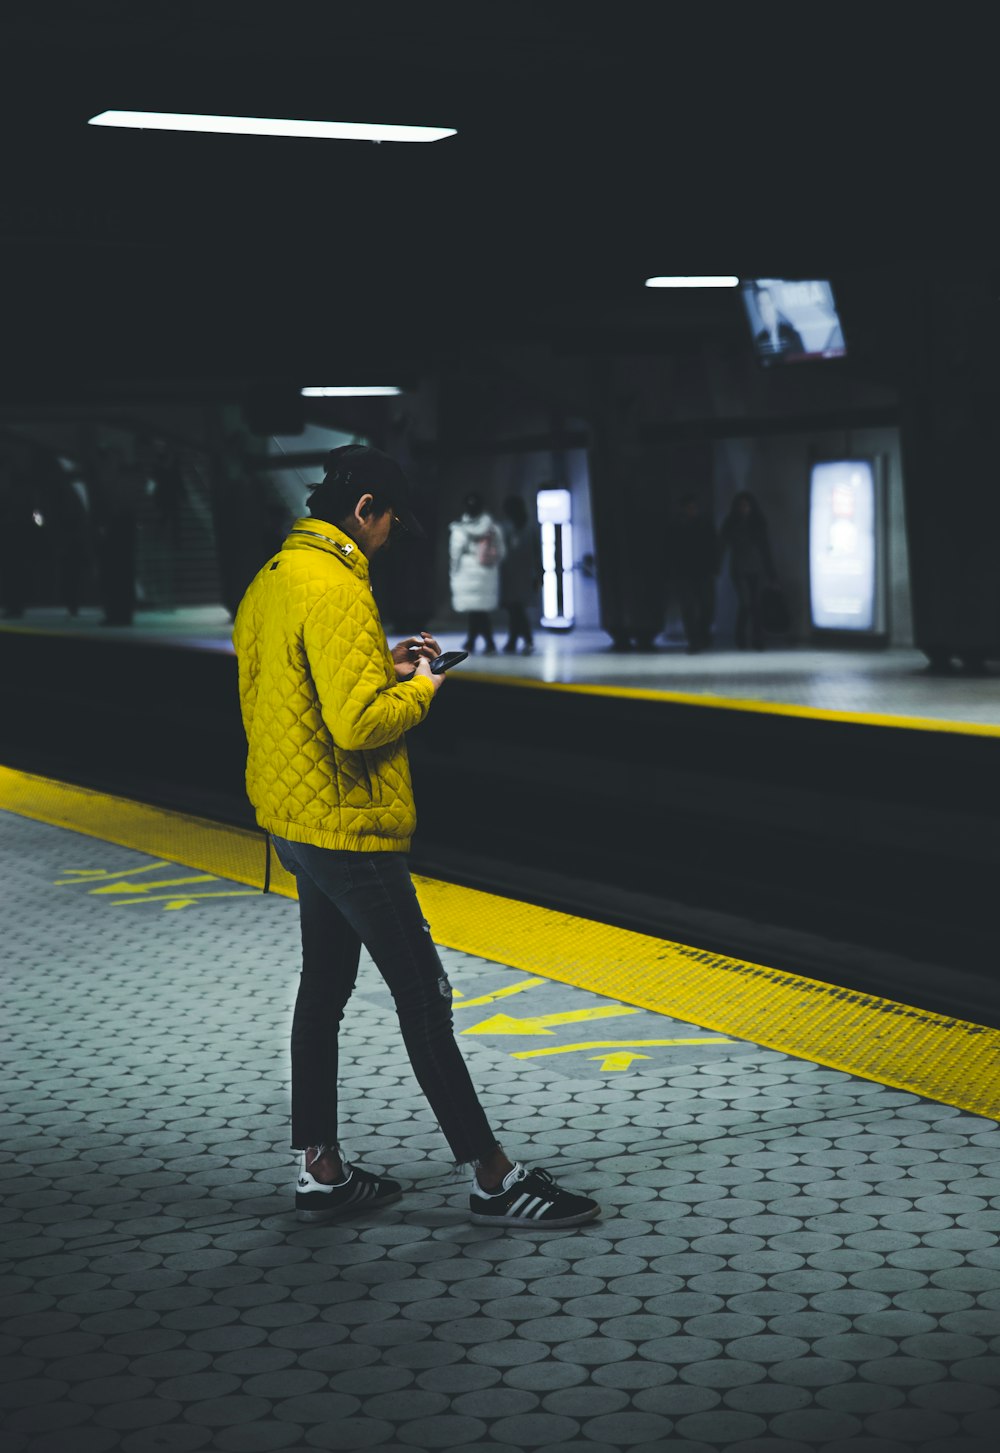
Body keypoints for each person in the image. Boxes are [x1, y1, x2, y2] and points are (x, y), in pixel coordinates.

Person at [233, 444, 599, 1229]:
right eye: (391, 517)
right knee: (426, 998)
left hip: (294, 821)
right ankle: (494, 1178)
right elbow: (357, 723)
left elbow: (288, 690)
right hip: (347, 828)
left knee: (323, 992)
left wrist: (383, 662)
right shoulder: (333, 585)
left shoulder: (273, 577)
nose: (393, 533)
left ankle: (320, 1169)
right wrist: (424, 688)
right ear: (365, 509)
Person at [719, 490, 778, 650]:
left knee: (755, 604)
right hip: (740, 569)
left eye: (746, 506)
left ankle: (755, 639)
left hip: (755, 568)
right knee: (746, 603)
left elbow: (765, 549)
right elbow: (722, 546)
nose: (744, 509)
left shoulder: (757, 523)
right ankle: (742, 638)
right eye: (741, 506)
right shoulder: (732, 523)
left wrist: (771, 572)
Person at [448, 491, 505, 653]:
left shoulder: (459, 529)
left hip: (466, 572)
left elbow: (455, 553)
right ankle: (476, 640)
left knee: (475, 611)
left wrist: (454, 571)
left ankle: (484, 641)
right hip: (487, 572)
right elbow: (501, 552)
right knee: (479, 611)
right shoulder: (493, 528)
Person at [671, 493, 719, 654]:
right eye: (689, 508)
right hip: (684, 573)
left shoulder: (704, 524)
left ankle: (701, 636)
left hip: (702, 572)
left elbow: (713, 547)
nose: (692, 511)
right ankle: (694, 640)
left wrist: (714, 567)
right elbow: (670, 550)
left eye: (694, 508)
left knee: (706, 607)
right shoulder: (677, 526)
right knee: (689, 608)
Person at [498, 494, 540, 654]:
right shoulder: (527, 527)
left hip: (516, 575)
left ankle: (525, 639)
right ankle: (514, 640)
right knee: (515, 608)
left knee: (516, 609)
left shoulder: (509, 528)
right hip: (520, 575)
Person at [751, 283, 806, 358]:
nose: (765, 310)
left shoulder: (793, 335)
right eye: (761, 305)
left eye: (768, 303)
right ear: (758, 310)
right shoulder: (758, 342)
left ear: (774, 305)